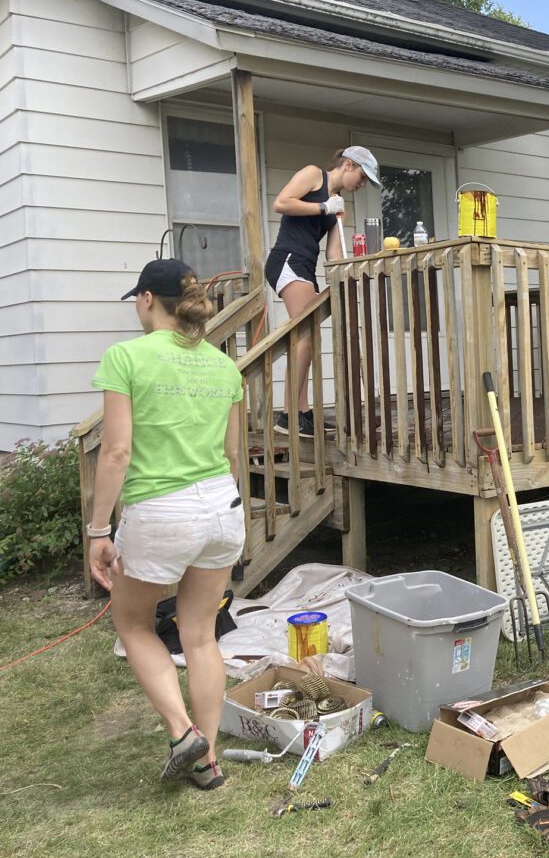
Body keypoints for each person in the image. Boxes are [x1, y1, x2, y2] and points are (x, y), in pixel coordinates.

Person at [88, 259, 245, 791]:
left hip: (161, 510)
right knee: (199, 634)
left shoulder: (125, 356)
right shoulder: (224, 366)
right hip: (223, 507)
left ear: (149, 300)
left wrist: (97, 531)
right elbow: (231, 451)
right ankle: (208, 762)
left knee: (133, 624)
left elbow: (115, 452)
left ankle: (184, 734)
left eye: (137, 298)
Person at [266, 145, 380, 437]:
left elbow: (332, 250)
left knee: (310, 338)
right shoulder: (313, 175)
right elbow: (281, 203)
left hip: (306, 265)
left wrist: (344, 269)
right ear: (348, 165)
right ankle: (288, 415)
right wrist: (322, 207)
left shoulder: (339, 204)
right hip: (287, 259)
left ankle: (301, 412)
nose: (362, 184)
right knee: (304, 336)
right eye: (363, 177)